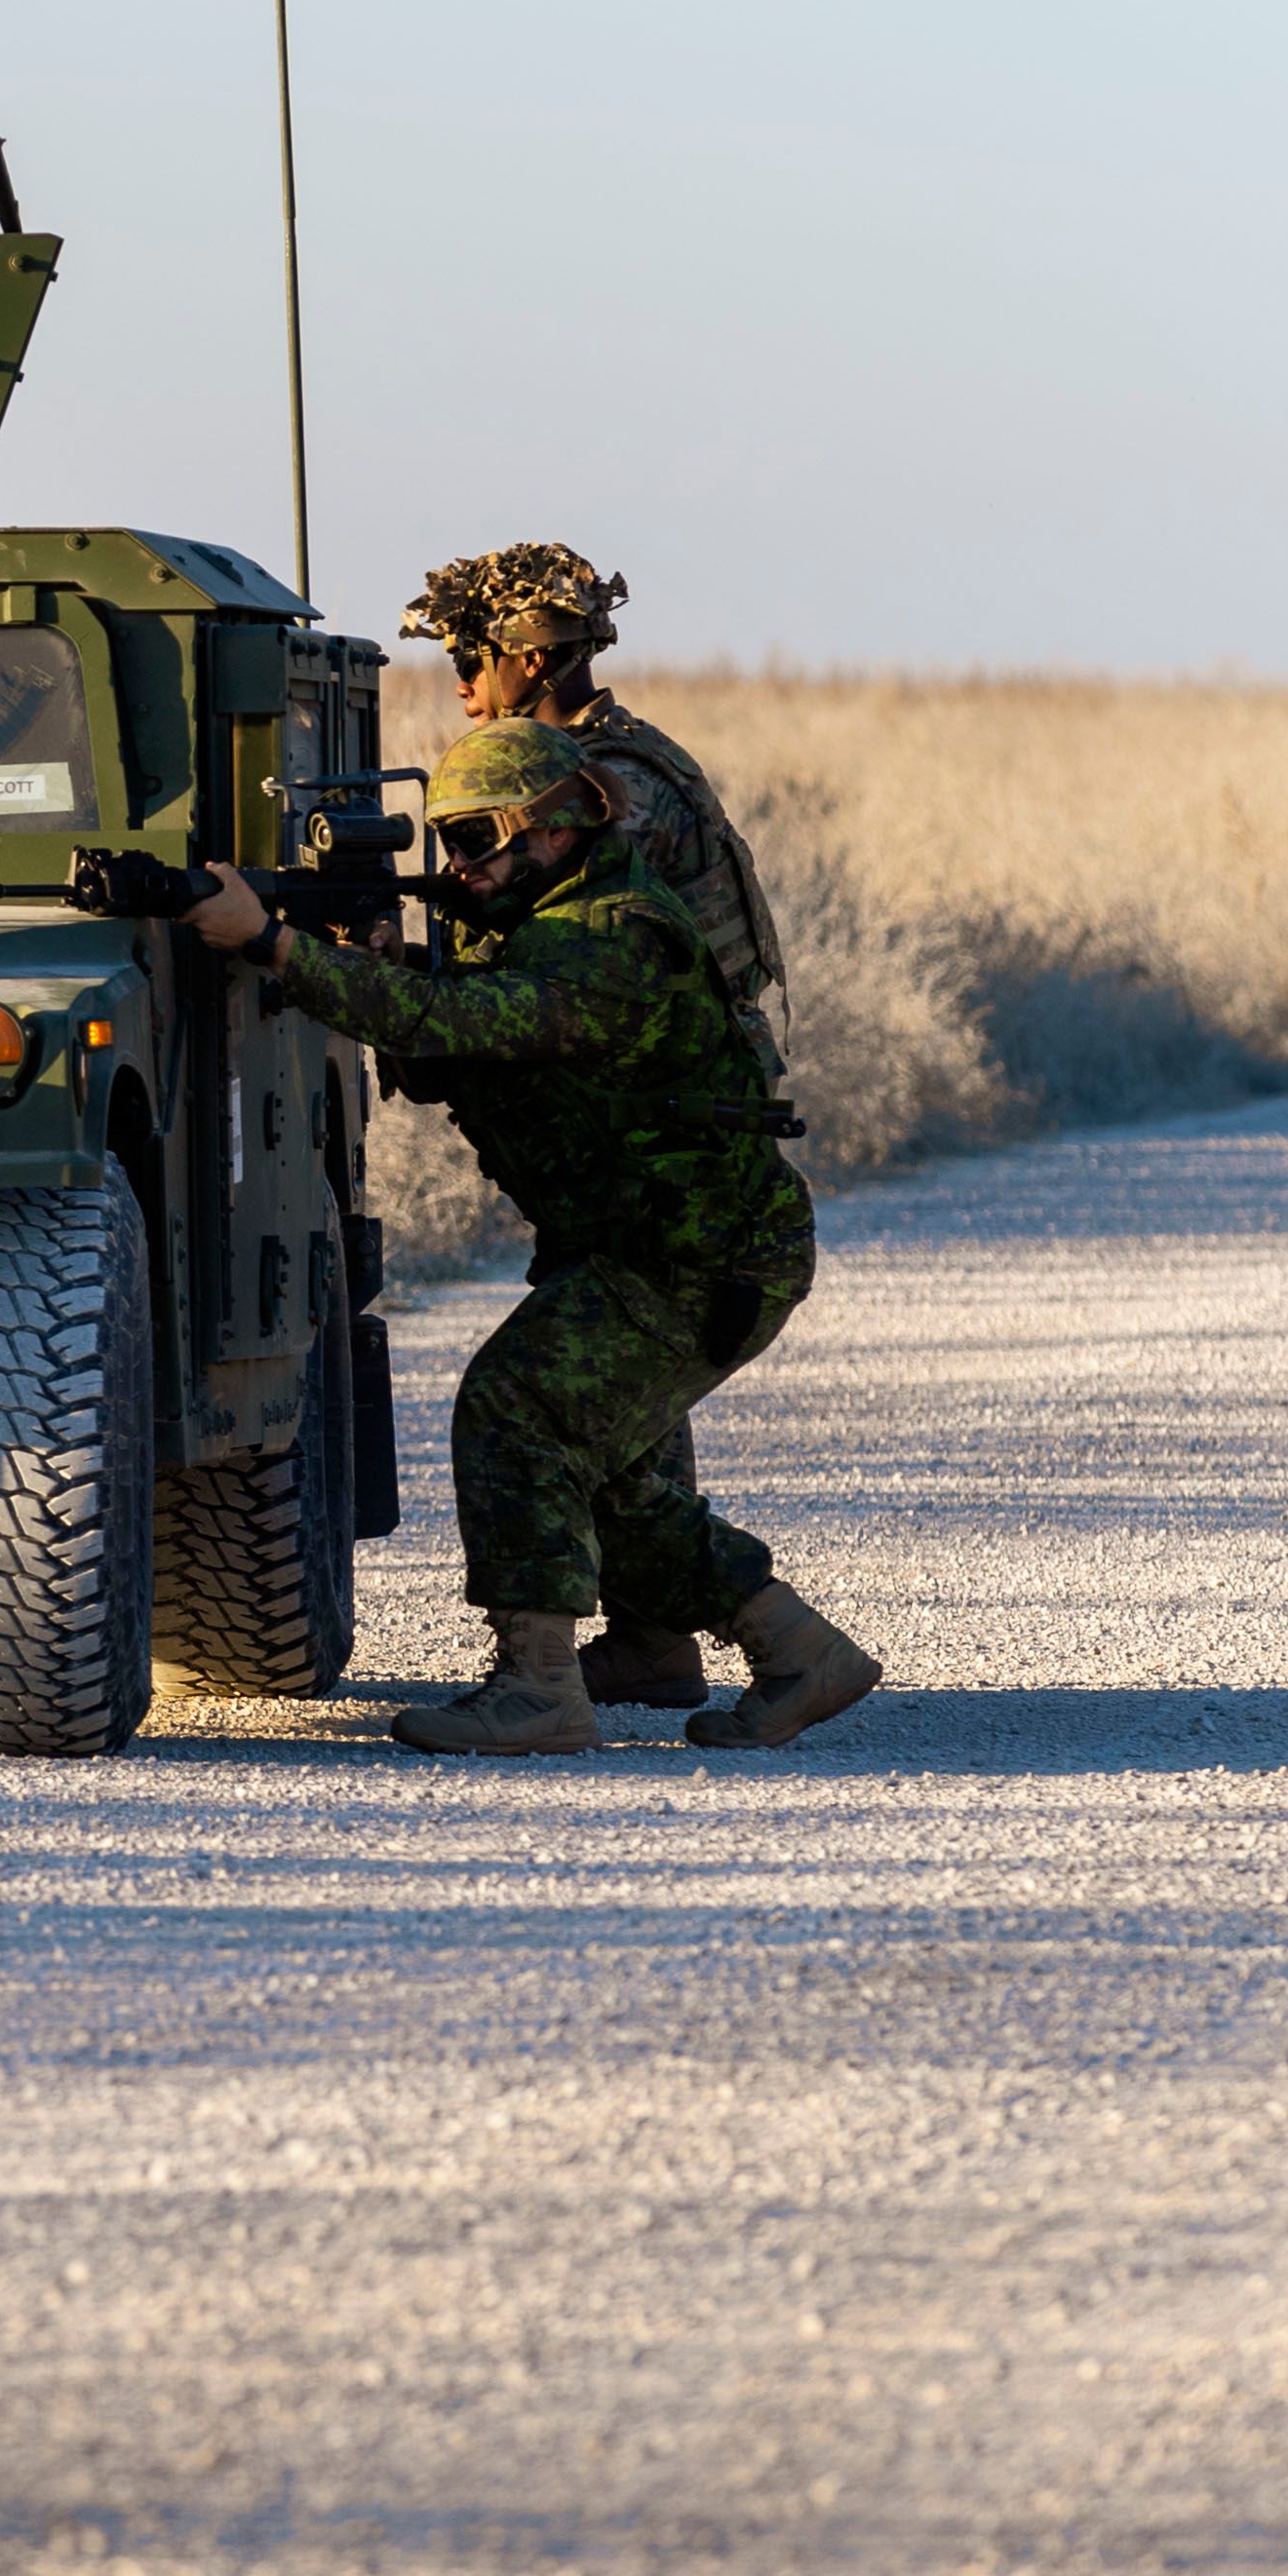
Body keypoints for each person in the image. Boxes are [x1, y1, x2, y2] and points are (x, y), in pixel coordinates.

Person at [185, 716, 882, 1756]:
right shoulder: (535, 928)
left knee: (515, 1412)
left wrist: (275, 945)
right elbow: (460, 1057)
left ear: (555, 830)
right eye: (449, 845)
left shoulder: (610, 939)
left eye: (475, 841)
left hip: (699, 1255)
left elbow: (456, 1028)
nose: (458, 868)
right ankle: (795, 1649)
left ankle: (540, 1688)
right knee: (603, 1476)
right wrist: (381, 965)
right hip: (651, 1244)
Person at [395, 541, 793, 1711]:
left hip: (659, 1112)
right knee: (610, 1375)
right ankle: (657, 1635)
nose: (461, 685)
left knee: (594, 1373)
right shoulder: (607, 762)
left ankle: (649, 1633)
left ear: (530, 657)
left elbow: (571, 966)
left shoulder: (594, 784)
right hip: (639, 1091)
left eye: (472, 659)